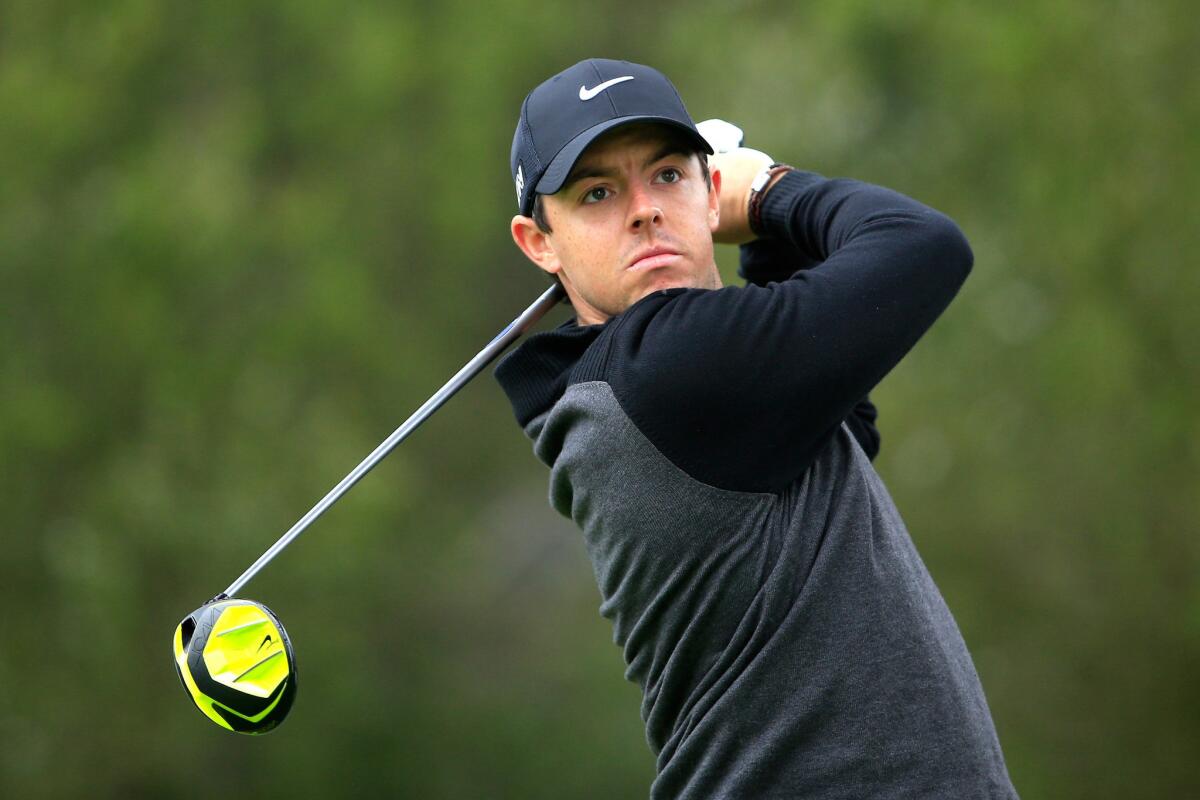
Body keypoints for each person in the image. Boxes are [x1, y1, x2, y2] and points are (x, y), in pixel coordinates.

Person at [494, 57, 1018, 799]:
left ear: (706, 191)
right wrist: (770, 193)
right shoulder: (666, 366)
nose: (644, 209)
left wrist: (764, 237)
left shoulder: (634, 387)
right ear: (539, 242)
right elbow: (925, 246)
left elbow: (844, 432)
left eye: (667, 175)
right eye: (598, 192)